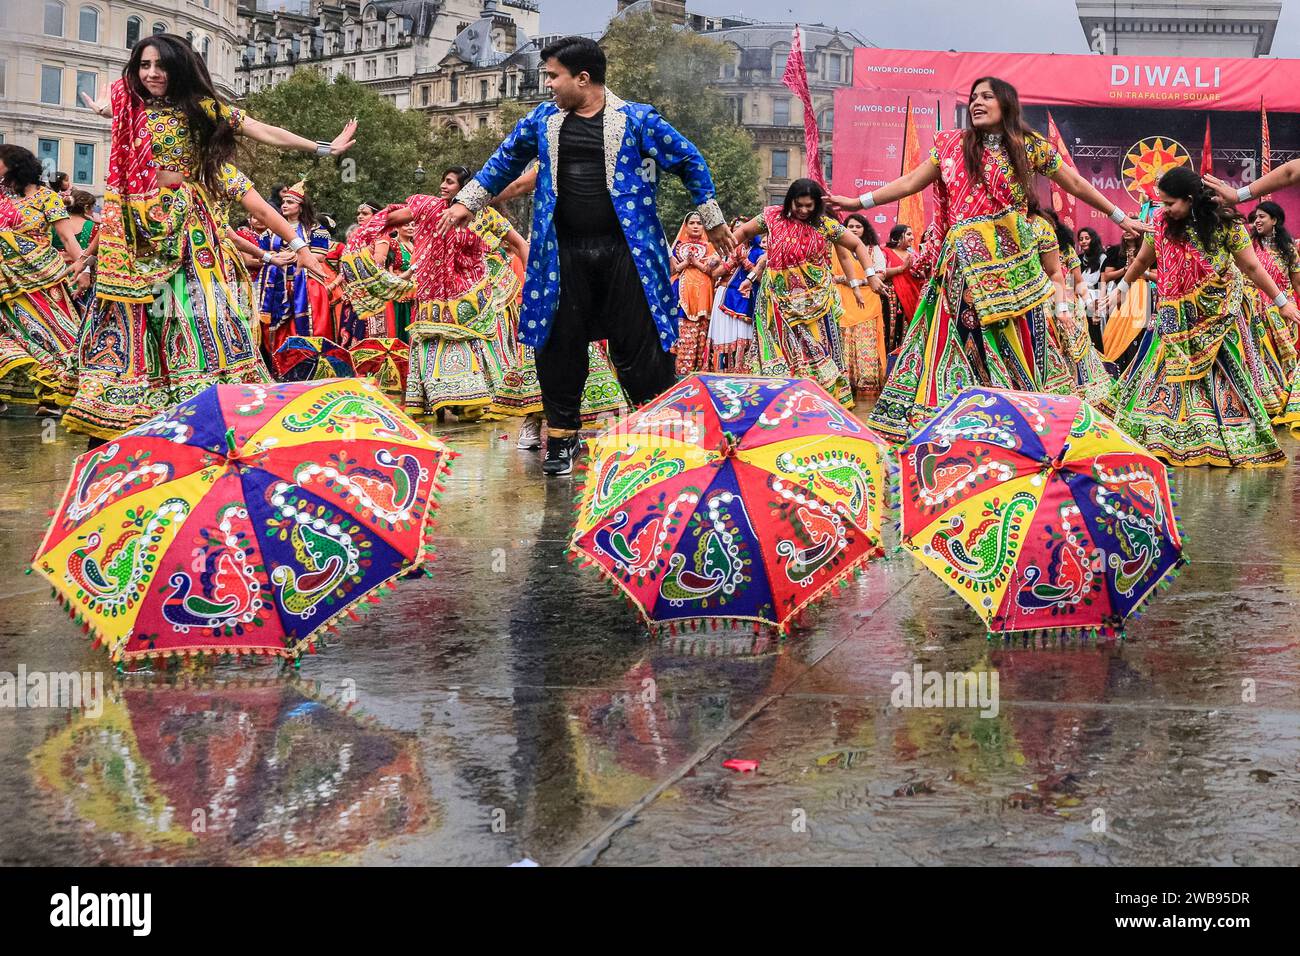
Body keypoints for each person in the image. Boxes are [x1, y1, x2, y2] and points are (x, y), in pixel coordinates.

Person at [436, 35, 735, 476]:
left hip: (626, 253)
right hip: (561, 254)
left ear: (583, 78)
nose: (549, 85)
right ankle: (561, 438)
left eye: (553, 76)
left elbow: (688, 159)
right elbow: (503, 160)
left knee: (641, 343)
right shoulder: (542, 121)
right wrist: (468, 201)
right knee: (557, 343)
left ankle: (657, 433)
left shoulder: (636, 120)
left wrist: (711, 217)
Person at [70, 32, 355, 441]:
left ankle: (198, 413)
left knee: (187, 315)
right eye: (144, 65)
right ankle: (121, 414)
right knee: (131, 317)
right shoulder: (128, 106)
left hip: (186, 233)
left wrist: (323, 149)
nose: (151, 74)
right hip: (133, 231)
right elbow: (114, 116)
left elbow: (258, 133)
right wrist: (104, 109)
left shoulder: (202, 118)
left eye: (161, 66)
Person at [831, 76, 1146, 442]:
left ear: (1006, 104)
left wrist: (1121, 218)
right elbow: (910, 182)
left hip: (1014, 264)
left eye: (987, 97)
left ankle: (1022, 413)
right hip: (963, 259)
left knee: (1018, 336)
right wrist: (858, 202)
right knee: (959, 333)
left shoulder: (1028, 147)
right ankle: (960, 413)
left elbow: (1074, 183)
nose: (977, 103)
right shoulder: (951, 146)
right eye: (974, 97)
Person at [1103, 166, 1297, 467]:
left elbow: (1252, 268)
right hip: (1174, 316)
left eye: (1170, 203)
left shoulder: (1226, 224)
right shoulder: (1160, 222)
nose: (1164, 209)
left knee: (1219, 379)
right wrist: (1123, 287)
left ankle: (1215, 437)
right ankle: (1164, 436)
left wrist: (1282, 302)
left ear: (1191, 199)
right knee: (1165, 376)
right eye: (1161, 203)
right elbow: (1143, 258)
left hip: (1216, 317)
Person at [376, 166, 524, 421]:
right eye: (443, 181)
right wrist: (366, 232)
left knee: (468, 343)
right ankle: (437, 400)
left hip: (469, 295)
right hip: (432, 293)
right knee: (431, 343)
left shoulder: (484, 215)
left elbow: (519, 243)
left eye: (450, 182)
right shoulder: (430, 209)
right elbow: (388, 220)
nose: (443, 186)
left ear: (465, 189)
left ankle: (471, 402)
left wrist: (533, 276)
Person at [731, 179, 879, 406]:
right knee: (777, 350)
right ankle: (779, 402)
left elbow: (855, 247)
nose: (803, 210)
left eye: (809, 206)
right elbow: (743, 232)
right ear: (789, 200)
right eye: (798, 205)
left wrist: (869, 276)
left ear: (816, 205)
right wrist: (722, 249)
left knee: (815, 349)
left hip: (814, 302)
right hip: (776, 300)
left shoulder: (825, 225)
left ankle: (816, 403)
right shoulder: (772, 217)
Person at [0, 144, 85, 415]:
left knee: (50, 335)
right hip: (5, 280)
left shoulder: (45, 198)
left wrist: (83, 267)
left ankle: (55, 394)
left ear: (14, 165)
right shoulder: (3, 198)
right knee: (12, 334)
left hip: (42, 278)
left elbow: (66, 236)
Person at [258, 179, 337, 354]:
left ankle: (309, 359)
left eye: (290, 202)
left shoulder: (316, 229)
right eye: (283, 202)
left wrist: (293, 256)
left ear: (301, 207)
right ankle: (280, 361)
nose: (284, 205)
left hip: (307, 284)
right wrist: (274, 257)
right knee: (278, 326)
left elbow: (320, 256)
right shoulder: (270, 231)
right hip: (277, 284)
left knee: (310, 324)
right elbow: (261, 256)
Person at [833, 213, 888, 395]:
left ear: (865, 229)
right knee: (844, 342)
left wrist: (859, 282)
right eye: (851, 227)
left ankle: (868, 387)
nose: (855, 230)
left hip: (868, 303)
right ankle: (846, 384)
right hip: (843, 303)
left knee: (866, 343)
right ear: (844, 229)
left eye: (858, 226)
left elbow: (880, 274)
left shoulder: (872, 249)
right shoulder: (837, 249)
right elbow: (828, 275)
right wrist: (846, 279)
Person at [669, 211, 719, 375]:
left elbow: (713, 271)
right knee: (682, 332)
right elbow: (671, 270)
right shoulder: (676, 247)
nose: (696, 226)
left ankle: (699, 372)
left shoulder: (711, 246)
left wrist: (696, 262)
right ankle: (681, 374)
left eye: (699, 223)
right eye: (692, 223)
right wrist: (685, 263)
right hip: (682, 295)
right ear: (686, 226)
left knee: (702, 331)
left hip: (704, 295)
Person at [709, 224, 761, 372]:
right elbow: (715, 273)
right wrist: (730, 260)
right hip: (729, 298)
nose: (741, 232)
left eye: (744, 229)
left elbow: (761, 277)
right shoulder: (729, 252)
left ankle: (745, 369)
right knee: (726, 333)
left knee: (745, 333)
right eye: (736, 229)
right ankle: (724, 369)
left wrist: (745, 261)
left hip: (748, 300)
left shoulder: (760, 253)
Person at [881, 224, 920, 354]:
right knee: (890, 329)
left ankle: (905, 358)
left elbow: (919, 275)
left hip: (912, 296)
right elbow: (879, 273)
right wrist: (900, 269)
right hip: (891, 297)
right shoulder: (884, 252)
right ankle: (888, 360)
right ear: (897, 237)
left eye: (912, 234)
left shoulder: (913, 254)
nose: (912, 238)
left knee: (908, 329)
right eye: (908, 234)